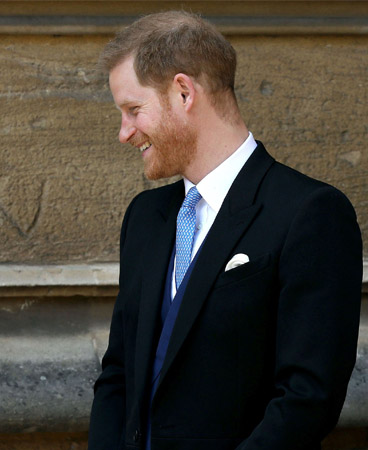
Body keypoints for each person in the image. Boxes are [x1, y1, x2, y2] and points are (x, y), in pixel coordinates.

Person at [88, 11, 362, 450]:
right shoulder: (146, 217)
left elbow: (308, 398)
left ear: (183, 92)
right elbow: (119, 373)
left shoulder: (310, 214)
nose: (124, 133)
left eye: (133, 110)